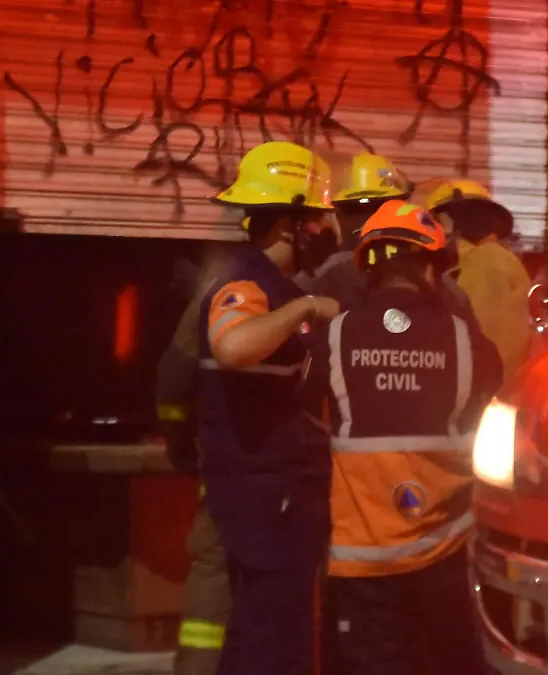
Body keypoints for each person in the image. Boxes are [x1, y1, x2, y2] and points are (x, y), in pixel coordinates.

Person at [299, 200, 503, 675]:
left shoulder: (334, 336)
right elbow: (491, 422)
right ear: (434, 269)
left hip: (364, 560)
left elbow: (310, 416)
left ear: (369, 269)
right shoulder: (471, 343)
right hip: (450, 555)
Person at [198, 141, 342, 675]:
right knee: (276, 639)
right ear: (291, 225)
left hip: (271, 490)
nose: (326, 231)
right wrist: (305, 308)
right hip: (265, 494)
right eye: (317, 219)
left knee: (258, 631)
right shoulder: (245, 282)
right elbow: (233, 347)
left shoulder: (271, 283)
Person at [157, 244, 234, 675]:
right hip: (321, 484)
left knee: (214, 580)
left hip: (227, 478)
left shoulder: (219, 293)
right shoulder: (322, 291)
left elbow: (172, 380)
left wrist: (179, 443)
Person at [301, 153, 478, 327]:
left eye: (379, 208)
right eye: (355, 210)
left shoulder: (332, 272)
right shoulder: (441, 283)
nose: (367, 221)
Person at [426, 179, 532, 381]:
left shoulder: (488, 262)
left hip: (486, 398)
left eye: (439, 222)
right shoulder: (463, 265)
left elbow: (494, 347)